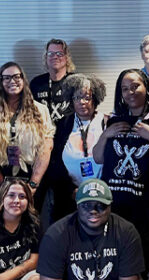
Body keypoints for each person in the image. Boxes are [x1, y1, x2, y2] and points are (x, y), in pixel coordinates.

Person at [92, 69, 149, 273]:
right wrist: (106, 135)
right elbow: (98, 157)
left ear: (146, 86)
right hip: (118, 200)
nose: (130, 92)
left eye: (135, 86)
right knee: (120, 251)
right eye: (125, 89)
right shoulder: (115, 118)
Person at [0, 61, 54, 213]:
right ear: (0, 81)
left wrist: (34, 184)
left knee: (29, 224)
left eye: (17, 77)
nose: (13, 81)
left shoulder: (40, 110)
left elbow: (46, 148)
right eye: (7, 78)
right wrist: (0, 181)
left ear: (24, 80)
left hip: (29, 176)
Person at [41, 73, 106, 227]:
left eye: (87, 97)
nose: (82, 102)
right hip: (69, 197)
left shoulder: (106, 122)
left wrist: (101, 189)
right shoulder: (62, 124)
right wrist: (71, 190)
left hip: (102, 195)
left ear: (95, 99)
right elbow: (54, 162)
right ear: (71, 100)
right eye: (77, 97)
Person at [30, 38, 76, 126]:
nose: (55, 57)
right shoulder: (36, 83)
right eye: (50, 54)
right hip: (43, 135)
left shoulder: (76, 82)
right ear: (46, 57)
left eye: (59, 54)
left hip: (70, 136)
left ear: (67, 57)